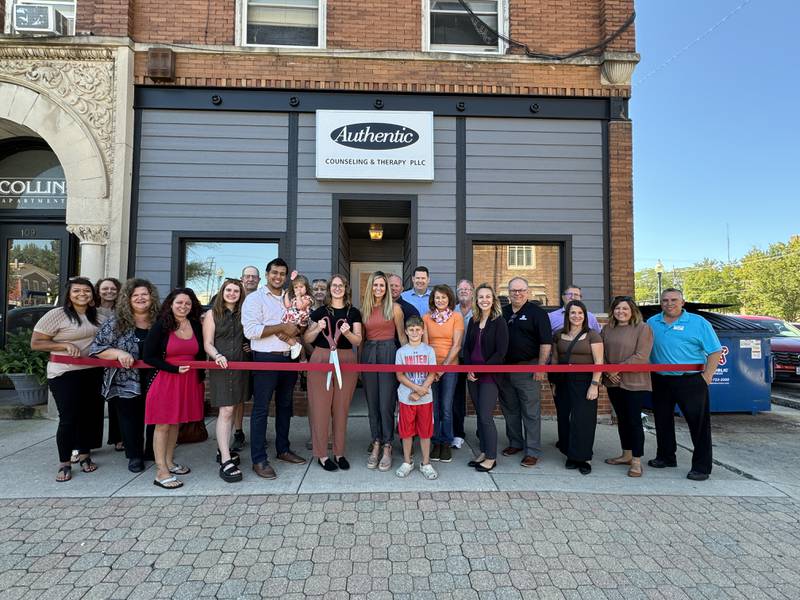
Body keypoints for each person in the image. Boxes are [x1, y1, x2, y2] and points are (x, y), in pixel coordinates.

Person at [31, 277, 108, 482]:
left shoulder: (98, 316)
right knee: (69, 417)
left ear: (93, 294)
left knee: (89, 415)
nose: (82, 294)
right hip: (64, 373)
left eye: (86, 291)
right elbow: (36, 343)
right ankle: (64, 462)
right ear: (69, 294)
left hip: (93, 370)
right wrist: (63, 345)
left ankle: (84, 454)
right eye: (77, 291)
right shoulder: (56, 315)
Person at [242, 257, 307, 480]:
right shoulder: (254, 299)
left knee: (285, 406)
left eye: (282, 273)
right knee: (261, 409)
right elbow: (251, 331)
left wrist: (297, 329)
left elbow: (297, 325)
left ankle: (283, 449)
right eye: (274, 273)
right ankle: (258, 459)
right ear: (267, 274)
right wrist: (282, 327)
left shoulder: (291, 298)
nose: (278, 277)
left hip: (289, 358)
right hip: (265, 358)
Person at [647, 288, 722, 481]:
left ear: (683, 302)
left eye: (673, 300)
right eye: (665, 300)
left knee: (698, 425)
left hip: (690, 380)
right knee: (662, 421)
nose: (669, 303)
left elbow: (715, 351)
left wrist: (707, 376)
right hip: (660, 379)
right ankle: (666, 456)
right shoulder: (652, 322)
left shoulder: (698, 323)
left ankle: (701, 467)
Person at [89, 278, 159, 473]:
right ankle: (134, 455)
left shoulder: (161, 320)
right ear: (127, 299)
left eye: (144, 294)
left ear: (151, 297)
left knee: (155, 415)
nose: (140, 298)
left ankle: (152, 450)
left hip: (157, 377)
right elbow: (97, 348)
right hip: (126, 379)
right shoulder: (117, 322)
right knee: (130, 418)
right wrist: (119, 353)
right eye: (135, 295)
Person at [143, 288, 205, 490]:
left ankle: (170, 462)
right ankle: (161, 471)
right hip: (166, 380)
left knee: (176, 423)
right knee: (162, 425)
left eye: (187, 303)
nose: (183, 306)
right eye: (179, 302)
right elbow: (149, 356)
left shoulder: (195, 325)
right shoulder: (161, 325)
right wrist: (173, 368)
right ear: (171, 303)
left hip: (188, 381)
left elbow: (200, 353)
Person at [303, 275, 362, 471]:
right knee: (320, 409)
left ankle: (339, 452)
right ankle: (321, 454)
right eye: (334, 286)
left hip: (345, 360)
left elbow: (358, 341)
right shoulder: (320, 311)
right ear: (330, 289)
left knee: (341, 409)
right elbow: (307, 338)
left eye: (341, 285)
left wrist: (347, 333)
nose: (337, 288)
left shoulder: (354, 313)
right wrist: (317, 328)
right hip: (321, 358)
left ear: (346, 288)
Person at [498, 277, 552, 467]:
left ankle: (532, 450)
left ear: (527, 292)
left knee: (530, 411)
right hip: (505, 369)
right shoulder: (501, 312)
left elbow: (546, 342)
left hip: (528, 368)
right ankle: (515, 443)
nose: (517, 294)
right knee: (510, 409)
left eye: (521, 290)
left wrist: (541, 366)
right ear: (508, 293)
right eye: (513, 291)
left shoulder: (537, 313)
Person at [203, 278, 250, 483]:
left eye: (236, 291)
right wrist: (217, 356)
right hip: (222, 366)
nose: (232, 294)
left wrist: (249, 346)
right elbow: (207, 343)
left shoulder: (244, 314)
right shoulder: (212, 314)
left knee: (236, 406)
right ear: (222, 292)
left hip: (241, 366)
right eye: (228, 290)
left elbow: (250, 335)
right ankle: (225, 459)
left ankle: (223, 448)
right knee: (226, 410)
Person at [601, 296, 653, 478]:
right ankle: (626, 454)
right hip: (612, 381)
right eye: (617, 309)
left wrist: (617, 369)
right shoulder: (607, 329)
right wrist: (608, 371)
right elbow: (601, 353)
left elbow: (642, 355)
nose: (620, 312)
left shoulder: (642, 328)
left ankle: (637, 461)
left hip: (635, 382)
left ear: (632, 311)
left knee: (633, 421)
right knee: (621, 419)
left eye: (624, 309)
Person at [550, 300, 604, 475]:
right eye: (573, 313)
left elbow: (599, 362)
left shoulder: (592, 335)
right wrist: (554, 383)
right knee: (564, 417)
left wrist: (594, 385)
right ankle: (570, 455)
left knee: (583, 420)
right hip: (563, 380)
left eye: (580, 313)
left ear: (585, 315)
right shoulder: (558, 335)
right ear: (567, 315)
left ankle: (584, 458)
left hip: (585, 381)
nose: (576, 316)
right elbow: (556, 361)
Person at [362, 271, 407, 472]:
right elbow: (360, 341)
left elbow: (402, 338)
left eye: (382, 285)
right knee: (372, 403)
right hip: (369, 353)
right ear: (370, 287)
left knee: (386, 403)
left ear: (387, 288)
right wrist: (358, 367)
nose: (378, 289)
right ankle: (376, 442)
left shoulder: (395, 308)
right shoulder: (364, 309)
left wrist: (409, 363)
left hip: (389, 352)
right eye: (375, 285)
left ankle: (388, 445)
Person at [462, 284, 508, 473]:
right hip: (473, 376)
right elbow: (467, 347)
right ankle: (483, 451)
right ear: (476, 300)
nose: (484, 300)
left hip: (489, 376)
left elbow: (501, 352)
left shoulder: (499, 322)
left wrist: (479, 371)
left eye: (488, 296)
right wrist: (467, 368)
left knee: (486, 416)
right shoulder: (473, 321)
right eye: (480, 297)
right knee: (479, 415)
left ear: (493, 299)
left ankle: (491, 457)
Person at [422, 284, 464, 463]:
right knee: (435, 408)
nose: (440, 300)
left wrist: (443, 366)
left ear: (449, 299)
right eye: (437, 297)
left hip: (450, 367)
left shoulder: (456, 317)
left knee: (446, 407)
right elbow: (425, 344)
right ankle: (436, 442)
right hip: (431, 367)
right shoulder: (426, 318)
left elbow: (457, 345)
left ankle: (446, 442)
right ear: (433, 299)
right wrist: (433, 368)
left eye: (444, 297)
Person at [394, 316, 438, 480]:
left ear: (422, 331)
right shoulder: (401, 352)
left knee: (425, 432)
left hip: (425, 398)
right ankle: (407, 462)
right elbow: (400, 375)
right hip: (406, 398)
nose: (414, 332)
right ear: (406, 331)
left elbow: (432, 373)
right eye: (411, 330)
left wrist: (420, 391)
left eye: (417, 330)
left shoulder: (428, 350)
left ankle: (425, 463)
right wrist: (415, 389)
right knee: (406, 432)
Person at [232, 265, 260, 453]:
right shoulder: (232, 298)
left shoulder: (261, 299)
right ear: (242, 278)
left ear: (259, 280)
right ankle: (238, 432)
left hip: (259, 353)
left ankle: (259, 434)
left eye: (253, 277)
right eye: (247, 276)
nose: (250, 279)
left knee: (260, 396)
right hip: (237, 354)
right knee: (237, 396)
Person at [95, 276, 124, 452]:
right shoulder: (91, 310)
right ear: (98, 290)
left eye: (113, 289)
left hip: (116, 360)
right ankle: (85, 444)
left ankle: (118, 438)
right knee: (93, 403)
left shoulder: (122, 311)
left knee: (116, 400)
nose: (109, 292)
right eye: (105, 289)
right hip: (94, 360)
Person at [452, 279, 474, 449]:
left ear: (472, 291)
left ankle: (484, 433)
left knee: (480, 398)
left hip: (476, 360)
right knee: (457, 397)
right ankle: (458, 433)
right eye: (460, 289)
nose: (464, 291)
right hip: (457, 359)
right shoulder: (452, 312)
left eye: (467, 289)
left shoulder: (480, 311)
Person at [281, 273, 313, 359]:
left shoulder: (308, 298)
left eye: (301, 287)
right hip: (292, 320)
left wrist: (298, 296)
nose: (298, 289)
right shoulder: (294, 298)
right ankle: (296, 349)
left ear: (306, 287)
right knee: (286, 335)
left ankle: (302, 356)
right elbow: (287, 306)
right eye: (296, 287)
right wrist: (287, 294)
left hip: (300, 320)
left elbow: (300, 306)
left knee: (292, 336)